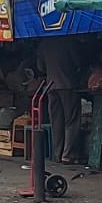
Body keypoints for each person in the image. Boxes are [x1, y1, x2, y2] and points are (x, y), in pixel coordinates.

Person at [36, 37, 85, 165]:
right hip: (67, 85)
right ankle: (68, 154)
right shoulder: (68, 41)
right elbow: (78, 61)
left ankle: (57, 154)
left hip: (51, 86)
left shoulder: (44, 42)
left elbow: (40, 67)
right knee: (71, 120)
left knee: (56, 122)